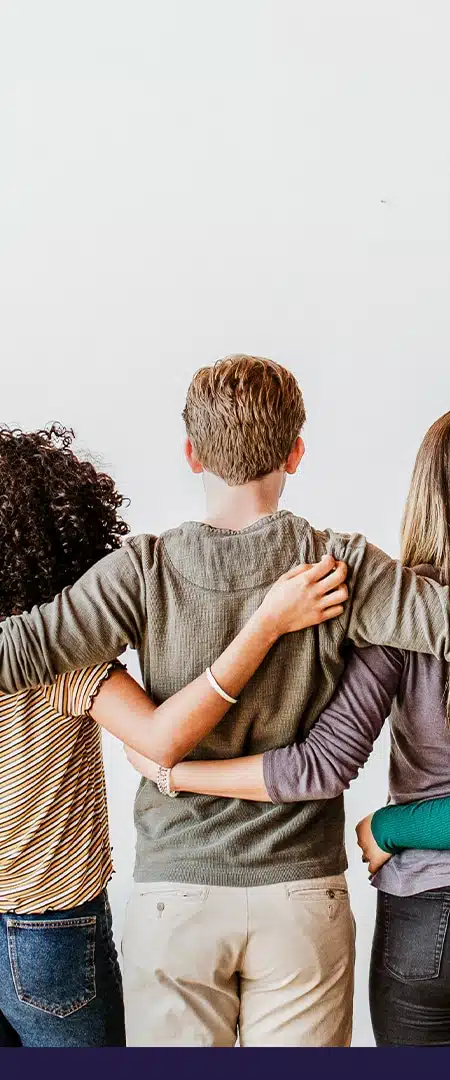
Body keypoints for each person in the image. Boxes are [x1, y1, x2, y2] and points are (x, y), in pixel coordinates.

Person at [2, 358, 450, 1047]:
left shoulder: (140, 572)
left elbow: (18, 652)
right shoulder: (340, 566)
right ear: (296, 452)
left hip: (173, 899)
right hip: (302, 894)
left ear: (190, 453)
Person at [0, 423, 347, 1048]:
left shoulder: (51, 646)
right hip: (48, 925)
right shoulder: (70, 666)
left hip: (161, 898)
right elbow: (162, 738)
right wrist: (266, 622)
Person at [127, 410, 450, 1047]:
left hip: (427, 916)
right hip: (325, 900)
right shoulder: (394, 605)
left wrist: (175, 770)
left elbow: (322, 765)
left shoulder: (400, 611)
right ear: (295, 452)